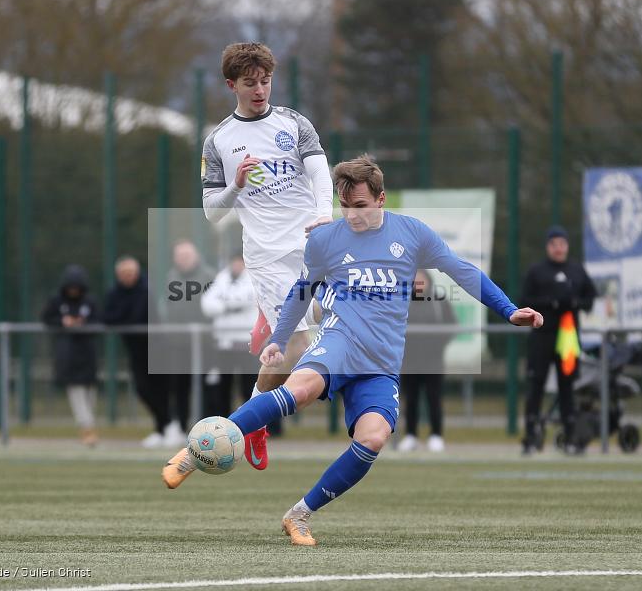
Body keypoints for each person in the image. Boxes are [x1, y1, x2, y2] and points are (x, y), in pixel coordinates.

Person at [163, 155, 543, 546]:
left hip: (381, 360)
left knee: (374, 438)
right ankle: (195, 451)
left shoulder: (413, 233)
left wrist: (509, 309)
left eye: (360, 205)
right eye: (345, 206)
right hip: (340, 339)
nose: (352, 215)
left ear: (381, 199)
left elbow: (462, 271)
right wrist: (278, 338)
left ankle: (299, 515)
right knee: (301, 388)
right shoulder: (326, 238)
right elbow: (302, 290)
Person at [200, 42, 334, 469]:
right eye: (249, 83)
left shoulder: (294, 123)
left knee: (340, 320)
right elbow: (212, 213)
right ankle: (254, 423)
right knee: (291, 348)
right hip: (268, 258)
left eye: (265, 81)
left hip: (313, 244)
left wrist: (326, 216)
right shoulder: (219, 140)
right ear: (231, 85)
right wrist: (236, 186)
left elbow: (319, 173)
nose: (260, 90)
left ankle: (266, 331)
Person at [520, 226, 597, 455]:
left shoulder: (576, 270)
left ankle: (572, 438)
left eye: (562, 243)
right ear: (548, 247)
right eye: (554, 244)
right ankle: (531, 437)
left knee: (567, 388)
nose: (559, 248)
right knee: (536, 385)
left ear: (567, 246)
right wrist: (550, 302)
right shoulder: (537, 271)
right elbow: (524, 299)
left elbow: (590, 298)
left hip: (567, 339)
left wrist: (574, 303)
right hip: (542, 337)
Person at [103, 256, 173, 448]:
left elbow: (135, 317)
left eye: (131, 273)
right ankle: (164, 426)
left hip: (157, 347)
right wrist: (123, 317)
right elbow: (108, 317)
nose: (128, 277)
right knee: (142, 389)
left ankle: (168, 427)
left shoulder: (145, 290)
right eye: (124, 274)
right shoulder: (115, 292)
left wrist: (122, 317)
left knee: (160, 389)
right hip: (135, 350)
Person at [160, 239, 215, 446]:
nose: (182, 261)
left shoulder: (209, 276)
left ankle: (208, 431)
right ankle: (180, 427)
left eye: (186, 256)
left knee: (206, 385)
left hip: (204, 343)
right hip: (178, 343)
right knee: (179, 386)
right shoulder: (171, 277)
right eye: (179, 257)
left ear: (196, 257)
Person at [397, 269, 456, 453]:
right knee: (411, 399)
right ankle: (410, 436)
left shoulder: (439, 301)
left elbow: (451, 325)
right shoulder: (402, 301)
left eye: (422, 279)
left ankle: (436, 436)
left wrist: (436, 345)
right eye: (415, 279)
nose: (418, 282)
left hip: (433, 361)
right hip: (409, 361)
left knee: (434, 398)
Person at [41, 265, 100, 447]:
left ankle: (88, 426)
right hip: (67, 354)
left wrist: (85, 324)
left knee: (89, 392)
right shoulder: (57, 301)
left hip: (87, 353)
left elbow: (100, 320)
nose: (73, 291)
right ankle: (87, 428)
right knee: (76, 392)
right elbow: (46, 318)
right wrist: (62, 322)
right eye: (70, 287)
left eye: (76, 287)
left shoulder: (89, 301)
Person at [200, 253, 261, 419]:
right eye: (233, 262)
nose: (236, 265)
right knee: (223, 387)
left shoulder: (254, 278)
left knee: (249, 386)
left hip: (248, 345)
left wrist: (224, 303)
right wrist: (229, 305)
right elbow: (207, 304)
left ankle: (252, 422)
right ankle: (223, 423)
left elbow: (248, 298)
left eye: (240, 262)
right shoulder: (221, 279)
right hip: (224, 345)